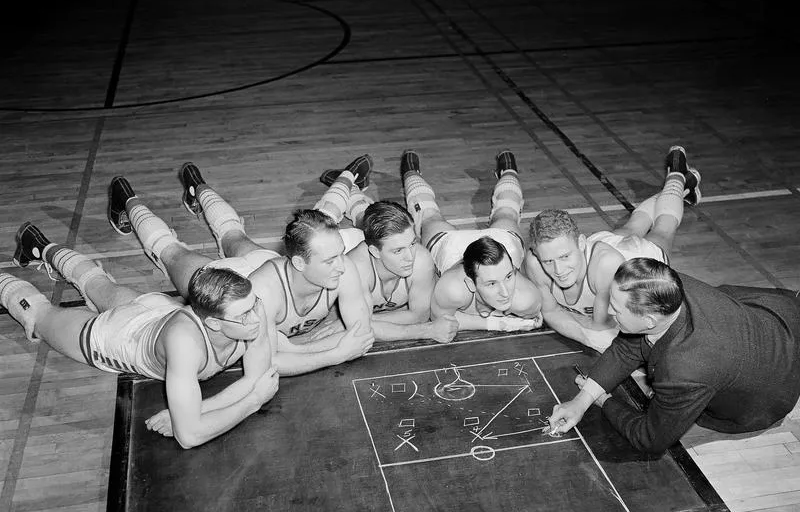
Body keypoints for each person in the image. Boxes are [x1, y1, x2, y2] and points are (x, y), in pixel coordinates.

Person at [0, 222, 278, 449]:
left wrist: (200, 411)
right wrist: (251, 403)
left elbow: (258, 379)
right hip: (118, 338)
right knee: (39, 316)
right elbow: (190, 436)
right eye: (244, 315)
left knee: (98, 284)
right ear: (215, 324)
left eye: (254, 306)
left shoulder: (249, 307)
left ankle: (39, 246)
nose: (256, 317)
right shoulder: (185, 343)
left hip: (156, 310)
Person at [547, 258, 800, 455]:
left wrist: (604, 400)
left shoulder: (686, 369)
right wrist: (581, 401)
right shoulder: (665, 286)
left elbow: (650, 439)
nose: (609, 311)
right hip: (776, 315)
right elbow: (628, 346)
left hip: (772, 387)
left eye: (617, 308)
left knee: (675, 389)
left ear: (649, 320)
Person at [169, 159, 376, 374]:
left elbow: (361, 335)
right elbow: (266, 364)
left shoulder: (340, 267)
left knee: (233, 234)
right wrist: (336, 353)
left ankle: (199, 187)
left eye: (339, 255)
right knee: (171, 252)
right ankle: (193, 188)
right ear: (299, 262)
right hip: (230, 286)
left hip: (270, 264)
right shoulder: (261, 295)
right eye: (330, 261)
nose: (342, 266)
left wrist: (294, 348)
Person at [524, 145, 701, 352]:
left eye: (564, 257)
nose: (559, 270)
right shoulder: (534, 262)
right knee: (632, 225)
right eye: (548, 261)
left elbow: (601, 328)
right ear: (536, 254)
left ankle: (677, 176)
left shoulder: (606, 266)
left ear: (581, 243)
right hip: (600, 250)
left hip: (633, 257)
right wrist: (582, 331)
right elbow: (552, 313)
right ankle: (684, 186)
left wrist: (575, 324)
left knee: (663, 229)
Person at [311, 164, 458, 342]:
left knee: (372, 219)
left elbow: (418, 316)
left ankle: (362, 185)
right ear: (375, 251)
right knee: (319, 226)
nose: (409, 257)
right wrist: (426, 331)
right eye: (398, 251)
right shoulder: (354, 268)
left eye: (412, 243)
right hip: (348, 243)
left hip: (376, 247)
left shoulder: (421, 258)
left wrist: (361, 320)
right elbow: (361, 329)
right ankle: (346, 178)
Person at [401, 149, 542, 332]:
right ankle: (410, 172)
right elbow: (439, 319)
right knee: (427, 216)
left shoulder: (526, 300)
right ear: (470, 284)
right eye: (491, 284)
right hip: (451, 248)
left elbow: (449, 316)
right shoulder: (453, 288)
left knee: (507, 211)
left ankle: (508, 170)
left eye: (508, 277)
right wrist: (499, 323)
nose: (505, 293)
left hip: (502, 243)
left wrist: (478, 317)